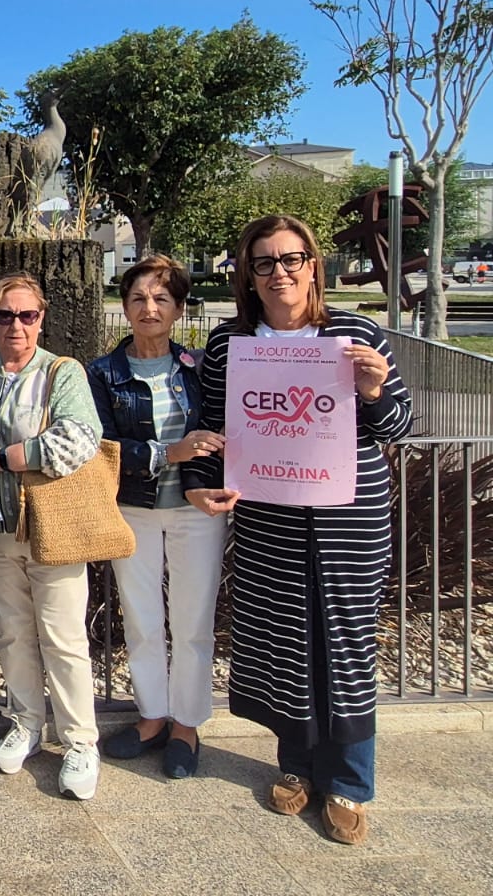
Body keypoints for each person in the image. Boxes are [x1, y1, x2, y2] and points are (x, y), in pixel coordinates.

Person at [183, 215, 411, 846]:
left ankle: (350, 783)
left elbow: (399, 425)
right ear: (248, 276)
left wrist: (373, 392)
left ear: (313, 264)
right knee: (284, 637)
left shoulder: (354, 333)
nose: (279, 272)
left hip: (348, 516)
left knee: (344, 641)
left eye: (291, 259)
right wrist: (200, 481)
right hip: (269, 516)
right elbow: (211, 425)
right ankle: (297, 765)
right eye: (263, 263)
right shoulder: (231, 344)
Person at [0, 273, 105, 800]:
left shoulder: (61, 373)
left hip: (51, 526)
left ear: (41, 318)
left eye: (27, 315)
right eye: (5, 315)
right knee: (14, 631)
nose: (16, 325)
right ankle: (25, 720)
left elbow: (78, 438)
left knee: (64, 636)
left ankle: (79, 741)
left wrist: (3, 458)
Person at [87, 255, 224, 779]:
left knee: (191, 622)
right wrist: (171, 452)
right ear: (124, 308)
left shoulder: (200, 370)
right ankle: (151, 716)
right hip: (132, 509)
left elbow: (214, 435)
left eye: (162, 299)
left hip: (196, 513)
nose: (150, 308)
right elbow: (102, 446)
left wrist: (197, 476)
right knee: (142, 620)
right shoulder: (103, 373)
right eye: (139, 298)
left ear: (179, 309)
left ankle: (186, 725)